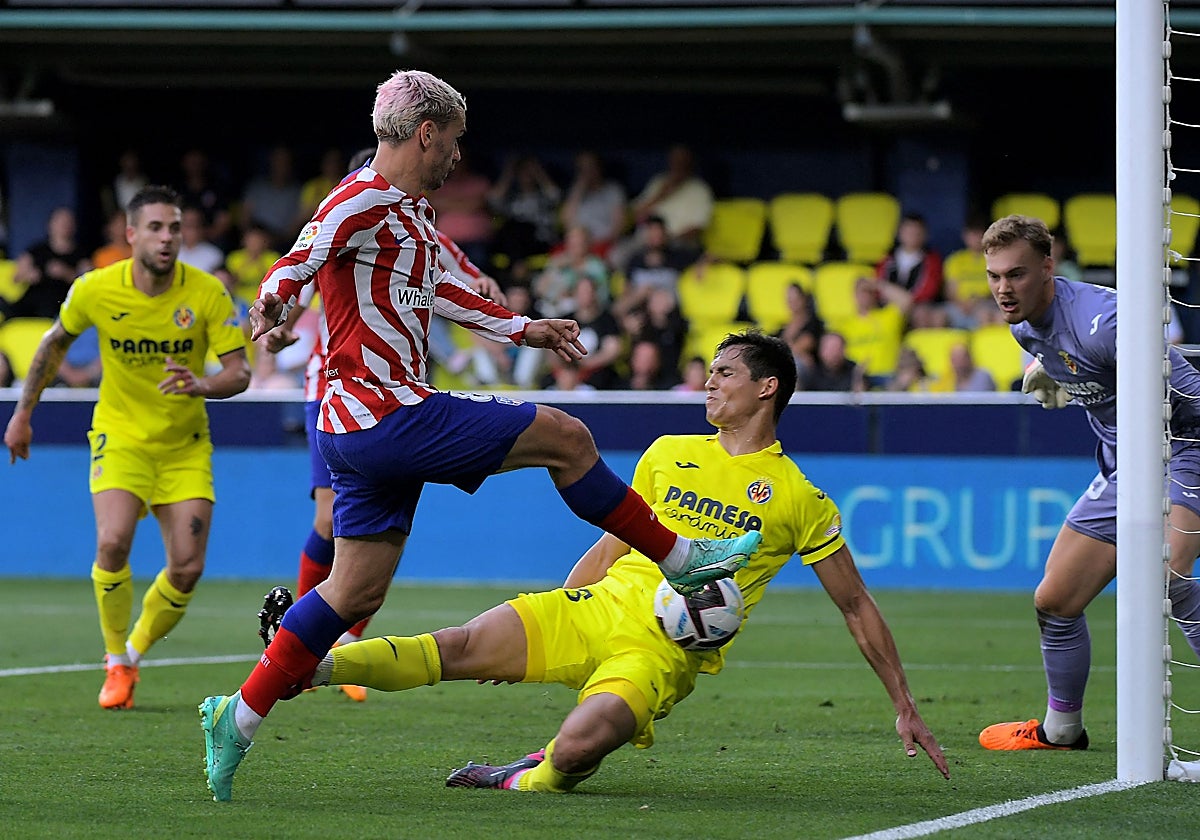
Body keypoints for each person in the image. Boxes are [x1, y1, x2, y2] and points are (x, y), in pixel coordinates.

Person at [198, 69, 761, 803]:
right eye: (455, 141)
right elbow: (301, 255)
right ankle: (684, 561)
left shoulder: (412, 215)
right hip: (387, 412)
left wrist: (527, 327)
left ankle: (235, 719)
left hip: (355, 428)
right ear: (426, 133)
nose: (459, 157)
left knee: (354, 586)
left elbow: (446, 293)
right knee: (565, 436)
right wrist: (273, 304)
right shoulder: (362, 196)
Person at [289, 331, 948, 793]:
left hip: (660, 654)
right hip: (594, 608)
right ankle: (302, 667)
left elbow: (855, 604)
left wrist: (904, 702)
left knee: (576, 751)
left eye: (724, 372)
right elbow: (612, 544)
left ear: (767, 388)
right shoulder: (667, 452)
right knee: (457, 645)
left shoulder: (800, 498)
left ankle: (529, 774)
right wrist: (554, 615)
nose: (708, 382)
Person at [3, 185, 251, 710]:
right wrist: (23, 414)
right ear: (131, 234)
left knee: (186, 567)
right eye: (156, 228)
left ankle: (134, 652)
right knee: (113, 542)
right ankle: (114, 660)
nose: (167, 238)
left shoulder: (207, 292)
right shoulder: (96, 288)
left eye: (175, 228)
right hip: (121, 438)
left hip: (184, 445)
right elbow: (52, 345)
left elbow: (239, 372)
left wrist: (201, 384)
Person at [977, 214, 1200, 751]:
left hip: (1185, 449)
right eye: (994, 276)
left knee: (1165, 578)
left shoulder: (1107, 322)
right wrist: (1049, 371)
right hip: (1126, 464)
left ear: (1049, 267)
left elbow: (1173, 398)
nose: (1004, 289)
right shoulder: (1023, 324)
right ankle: (1061, 731)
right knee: (1054, 599)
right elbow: (1066, 361)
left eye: (1017, 275)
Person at [1, 206, 92, 322]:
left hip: (58, 302)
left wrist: (66, 273)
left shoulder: (81, 254)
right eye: (59, 222)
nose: (63, 226)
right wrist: (28, 275)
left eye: (67, 222)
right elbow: (15, 277)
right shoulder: (36, 250)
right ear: (50, 225)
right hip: (32, 299)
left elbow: (88, 283)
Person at [875, 212, 945, 330]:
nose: (912, 235)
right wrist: (895, 301)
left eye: (917, 232)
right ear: (899, 233)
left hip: (916, 307)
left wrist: (905, 302)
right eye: (908, 231)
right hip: (887, 305)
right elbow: (878, 284)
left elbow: (929, 290)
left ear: (924, 235)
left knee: (923, 314)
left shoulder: (932, 260)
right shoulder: (887, 258)